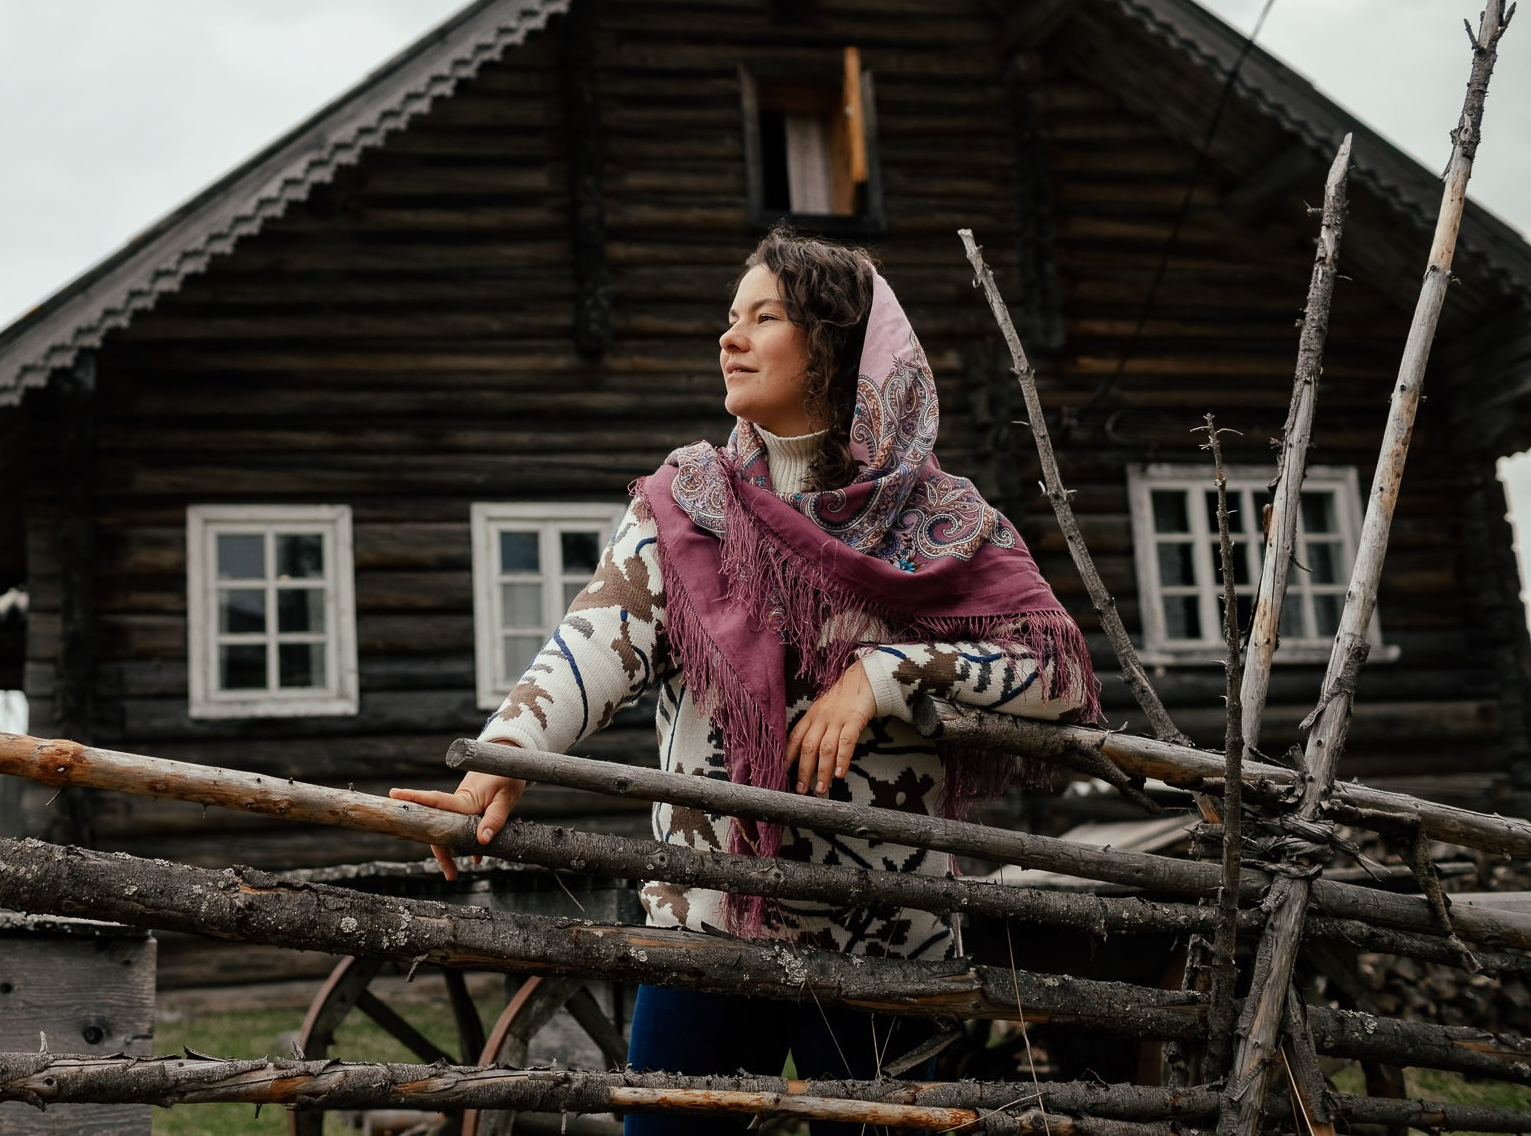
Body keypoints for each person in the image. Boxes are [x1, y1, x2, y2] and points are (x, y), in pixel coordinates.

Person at [392, 227, 1099, 1135]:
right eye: (731, 317)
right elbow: (591, 643)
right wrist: (499, 759)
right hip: (708, 918)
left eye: (763, 317)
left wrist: (884, 675)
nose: (729, 337)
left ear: (835, 347)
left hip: (888, 933)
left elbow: (1052, 665)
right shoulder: (688, 503)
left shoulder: (948, 519)